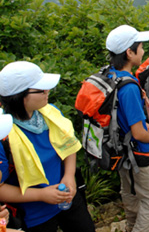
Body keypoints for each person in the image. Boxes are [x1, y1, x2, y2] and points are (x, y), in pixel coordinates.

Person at [0, 61, 94, 232]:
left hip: (67, 198)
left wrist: (69, 176)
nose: (47, 92)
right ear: (20, 96)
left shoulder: (50, 113)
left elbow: (68, 145)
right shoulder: (4, 133)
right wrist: (41, 195)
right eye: (41, 89)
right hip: (33, 215)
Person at [105, 25, 149, 232]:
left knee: (129, 192)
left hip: (119, 149)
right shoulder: (129, 87)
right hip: (137, 152)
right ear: (129, 53)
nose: (143, 51)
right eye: (140, 47)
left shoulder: (110, 75)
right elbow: (139, 133)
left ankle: (131, 226)